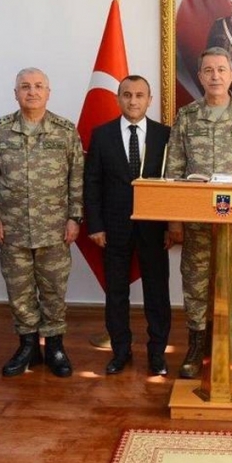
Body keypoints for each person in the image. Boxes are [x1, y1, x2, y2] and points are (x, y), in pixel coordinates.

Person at [166, 46, 232, 380]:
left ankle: (230, 347)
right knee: (195, 285)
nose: (215, 76)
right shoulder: (186, 117)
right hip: (196, 221)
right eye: (208, 70)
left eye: (221, 70)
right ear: (199, 76)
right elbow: (175, 170)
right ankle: (196, 346)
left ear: (231, 75)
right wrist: (174, 219)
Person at [0, 68, 83, 378]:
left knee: (53, 290)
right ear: (15, 93)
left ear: (48, 93)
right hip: (12, 229)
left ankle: (54, 346)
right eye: (25, 87)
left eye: (38, 86)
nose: (32, 92)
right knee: (19, 290)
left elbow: (76, 178)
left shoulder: (65, 131)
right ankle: (27, 346)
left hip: (54, 229)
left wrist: (74, 217)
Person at [84, 75, 172, 376]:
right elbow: (92, 183)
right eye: (126, 95)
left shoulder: (165, 135)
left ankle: (157, 353)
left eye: (139, 95)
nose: (133, 101)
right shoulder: (102, 135)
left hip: (154, 228)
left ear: (149, 100)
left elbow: (174, 184)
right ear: (118, 98)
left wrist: (173, 225)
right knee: (116, 292)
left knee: (157, 293)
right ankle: (120, 351)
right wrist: (95, 224)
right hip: (113, 228)